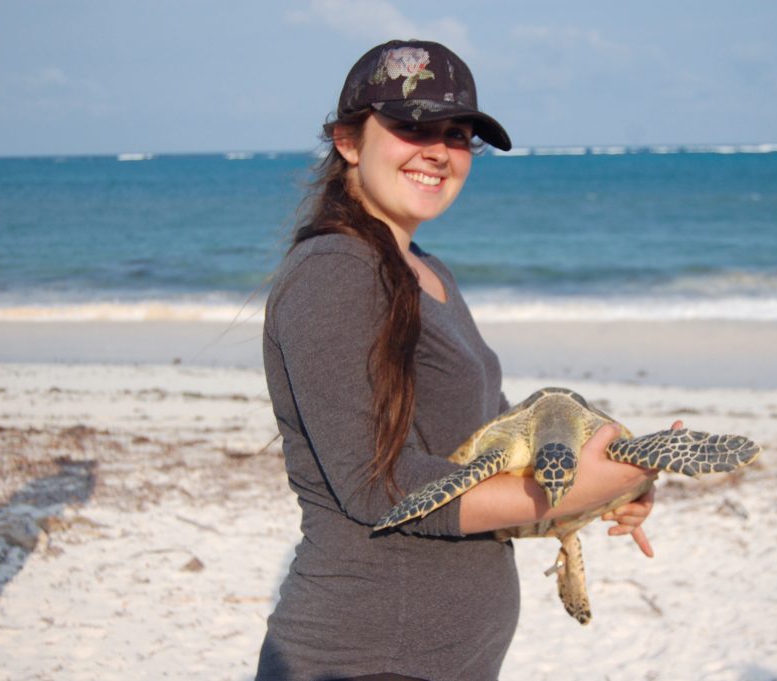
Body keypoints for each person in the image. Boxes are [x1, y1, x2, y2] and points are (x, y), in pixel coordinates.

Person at [256, 39, 668, 681]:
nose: (437, 151)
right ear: (347, 140)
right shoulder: (335, 271)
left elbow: (493, 443)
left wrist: (602, 489)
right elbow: (376, 487)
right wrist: (554, 492)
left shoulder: (426, 271)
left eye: (456, 134)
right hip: (366, 655)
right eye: (409, 127)